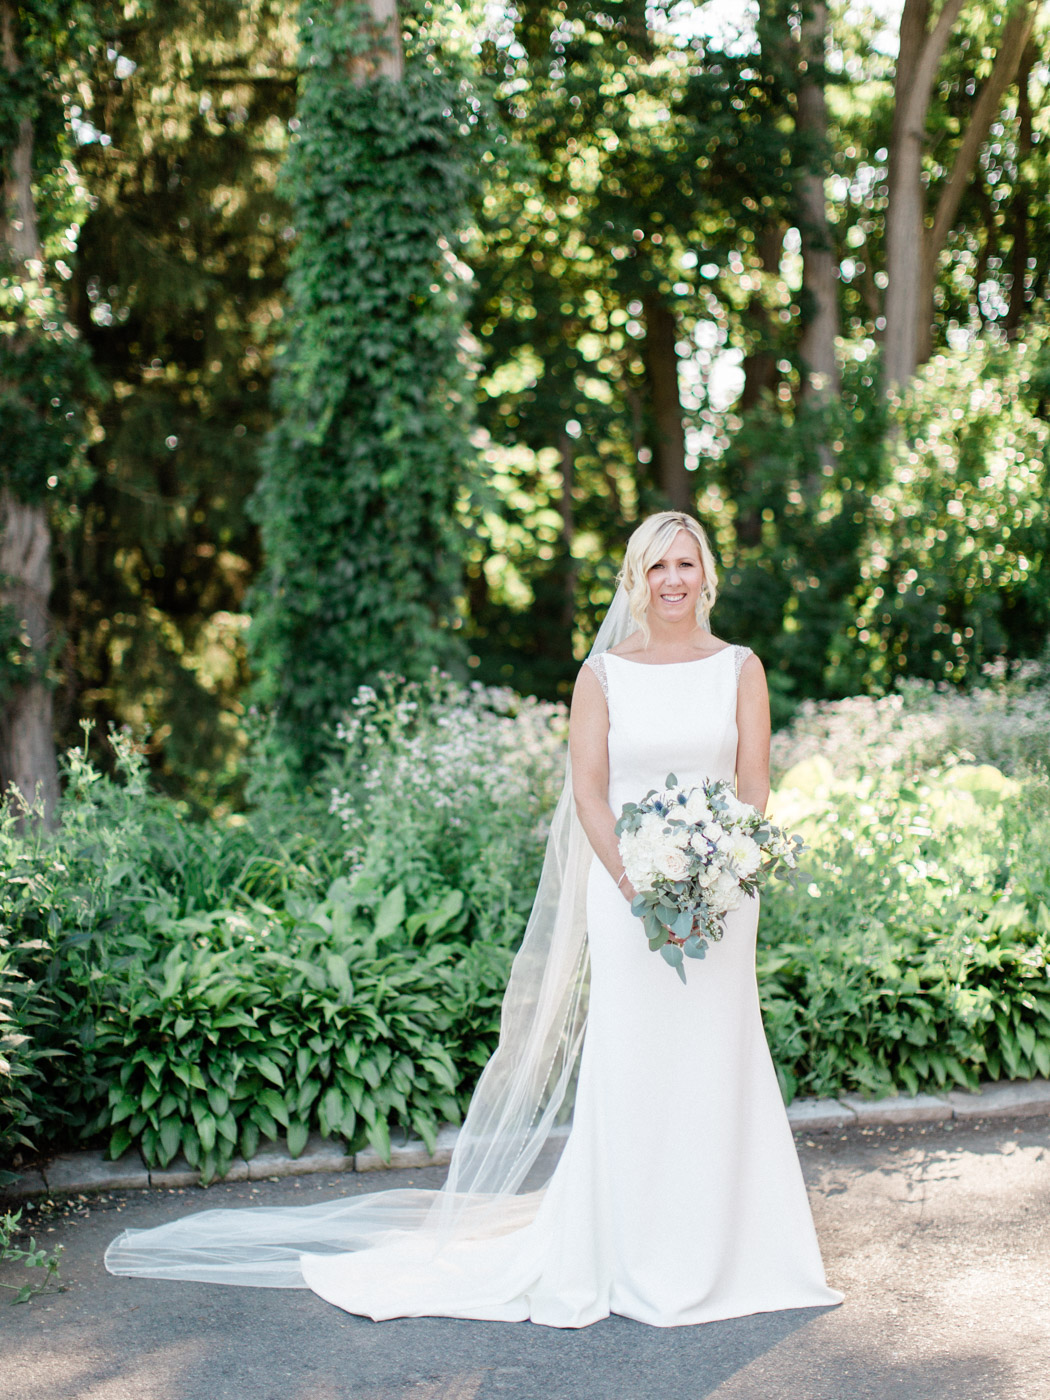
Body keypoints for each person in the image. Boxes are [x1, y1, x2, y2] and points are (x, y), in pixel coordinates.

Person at [106, 510, 841, 1327]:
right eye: (657, 565)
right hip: (626, 891)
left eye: (686, 563)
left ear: (708, 573)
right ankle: (632, 1249)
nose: (673, 579)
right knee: (636, 1060)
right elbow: (590, 793)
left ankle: (736, 1252)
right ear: (637, 578)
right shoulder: (603, 676)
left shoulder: (739, 668)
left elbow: (752, 781)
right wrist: (634, 881)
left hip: (721, 896)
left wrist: (719, 870)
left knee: (718, 1055)